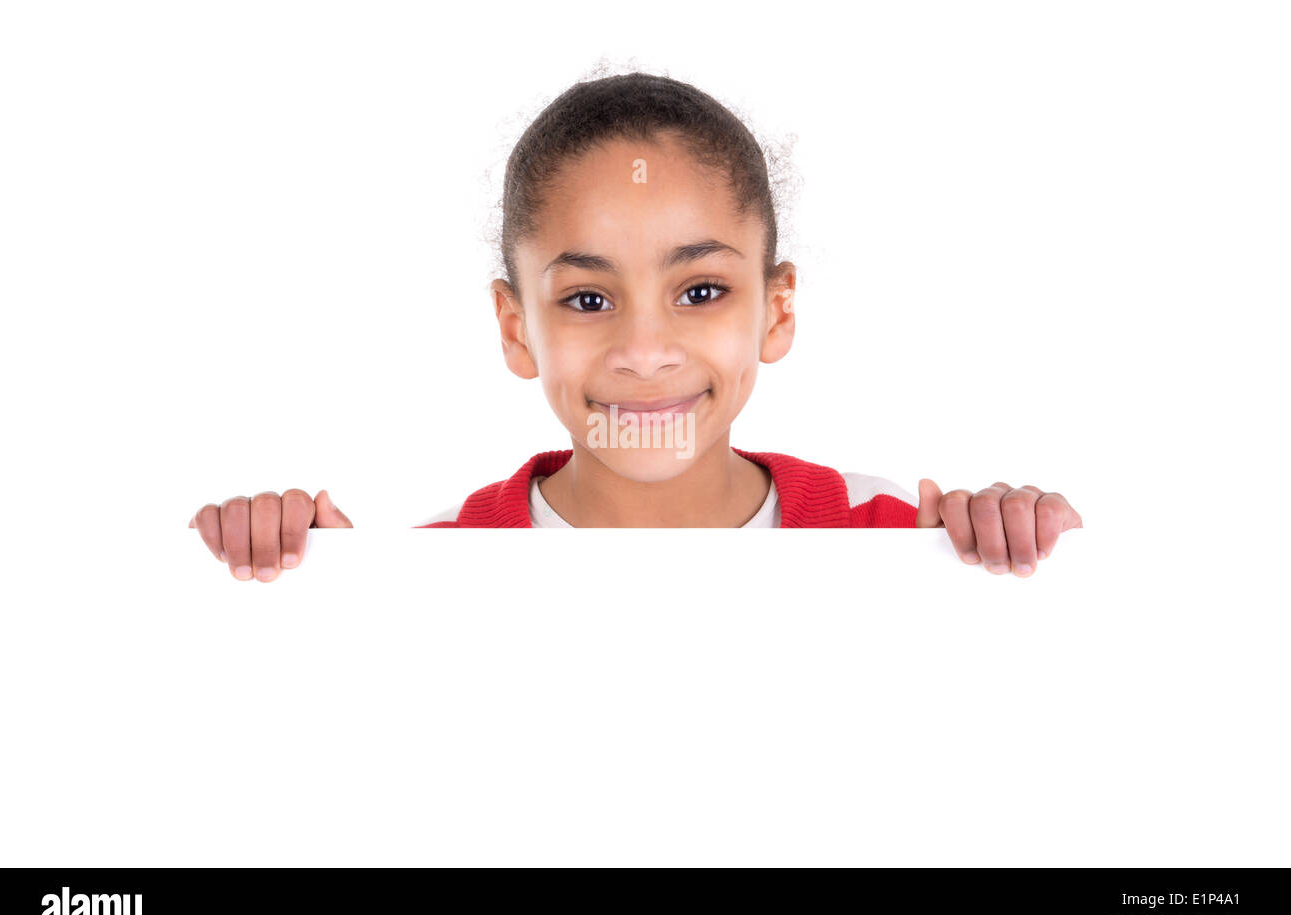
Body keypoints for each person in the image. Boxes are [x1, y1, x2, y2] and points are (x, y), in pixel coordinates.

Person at [190, 71, 1082, 582]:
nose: (646, 352)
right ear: (516, 328)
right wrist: (310, 600)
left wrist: (1017, 547)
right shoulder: (438, 575)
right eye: (587, 299)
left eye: (700, 292)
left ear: (776, 310)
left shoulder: (889, 541)